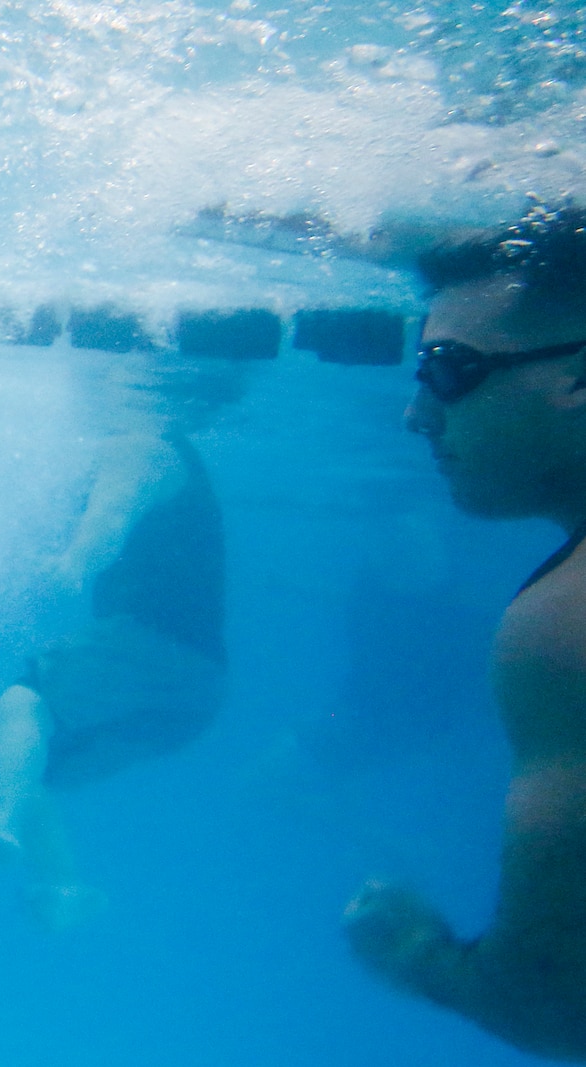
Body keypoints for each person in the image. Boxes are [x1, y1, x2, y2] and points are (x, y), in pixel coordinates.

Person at [342, 202, 586, 1062]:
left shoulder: (563, 623)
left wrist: (419, 955)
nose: (417, 414)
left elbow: (553, 1004)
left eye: (449, 371)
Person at [0, 353, 231, 929]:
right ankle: (65, 887)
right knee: (19, 762)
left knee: (15, 707)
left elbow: (110, 520)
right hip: (197, 693)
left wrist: (74, 561)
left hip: (152, 651)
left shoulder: (141, 444)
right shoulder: (176, 454)